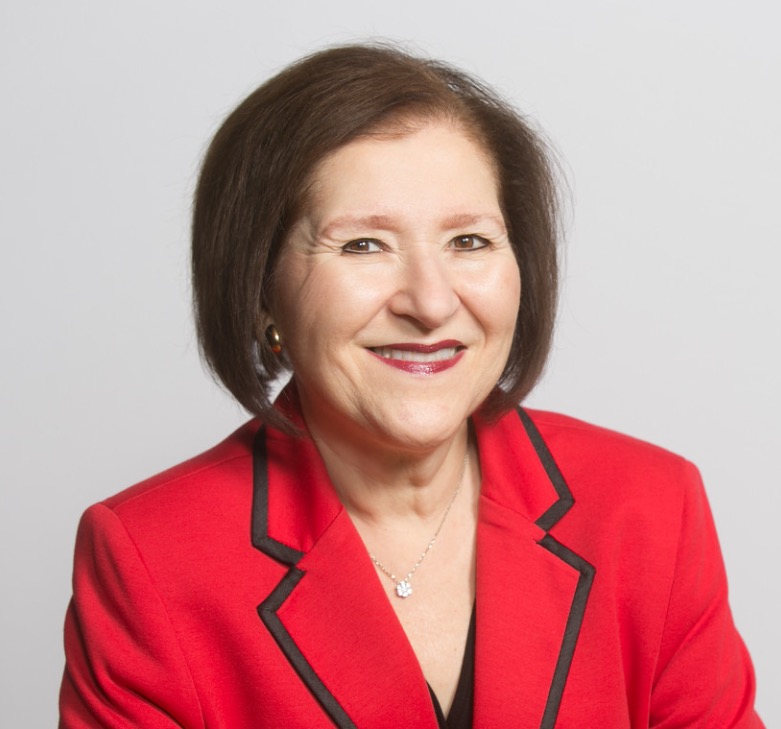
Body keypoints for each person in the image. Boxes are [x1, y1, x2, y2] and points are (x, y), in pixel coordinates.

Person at [59, 44, 763, 728]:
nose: (429, 302)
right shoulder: (151, 557)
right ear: (260, 291)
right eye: (363, 244)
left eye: (469, 241)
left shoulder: (649, 508)